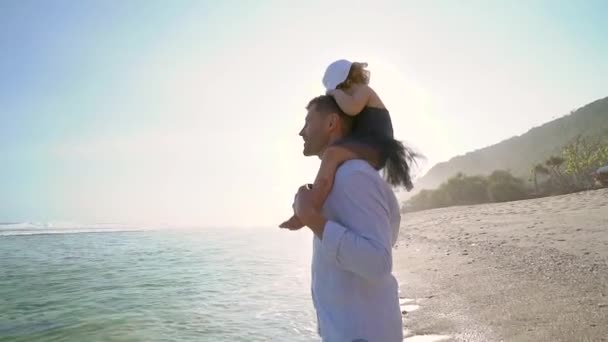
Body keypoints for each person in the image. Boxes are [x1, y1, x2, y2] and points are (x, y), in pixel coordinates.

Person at [281, 94, 404, 341]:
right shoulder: (345, 176)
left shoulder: (353, 177)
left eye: (308, 121)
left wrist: (311, 217)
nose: (301, 132)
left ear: (331, 123)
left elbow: (378, 263)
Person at [280, 59, 418, 229]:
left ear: (346, 80)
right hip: (367, 143)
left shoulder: (364, 91)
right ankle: (309, 206)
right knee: (333, 160)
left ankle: (308, 209)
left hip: (376, 144)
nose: (338, 93)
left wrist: (335, 94)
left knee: (332, 154)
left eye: (337, 89)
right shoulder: (353, 96)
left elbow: (351, 108)